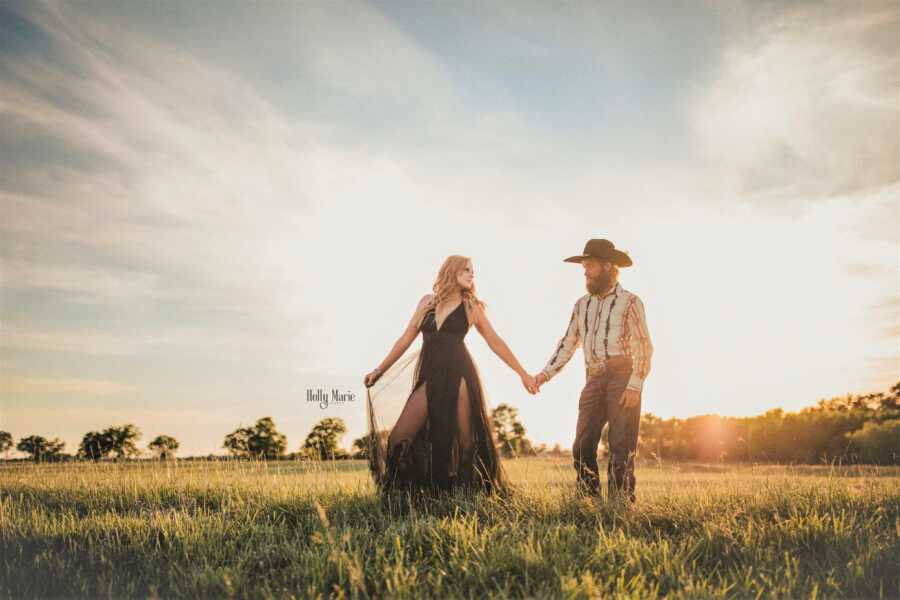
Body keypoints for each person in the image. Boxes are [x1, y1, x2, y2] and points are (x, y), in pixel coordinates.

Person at [364, 255, 537, 494]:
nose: (471, 274)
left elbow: (495, 342)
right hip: (430, 375)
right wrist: (379, 370)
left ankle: (466, 496)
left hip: (460, 375)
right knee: (398, 438)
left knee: (467, 442)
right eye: (466, 269)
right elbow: (405, 339)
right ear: (451, 271)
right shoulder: (427, 302)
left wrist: (523, 373)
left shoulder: (471, 306)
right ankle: (403, 496)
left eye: (473, 271)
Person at [532, 239, 653, 502]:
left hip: (623, 376)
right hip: (594, 377)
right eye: (583, 266)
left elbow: (643, 346)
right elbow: (568, 343)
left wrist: (635, 384)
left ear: (608, 266)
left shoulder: (631, 302)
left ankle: (620, 507)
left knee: (621, 446)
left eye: (590, 266)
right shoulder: (581, 305)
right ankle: (588, 502)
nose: (584, 272)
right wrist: (544, 375)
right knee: (581, 445)